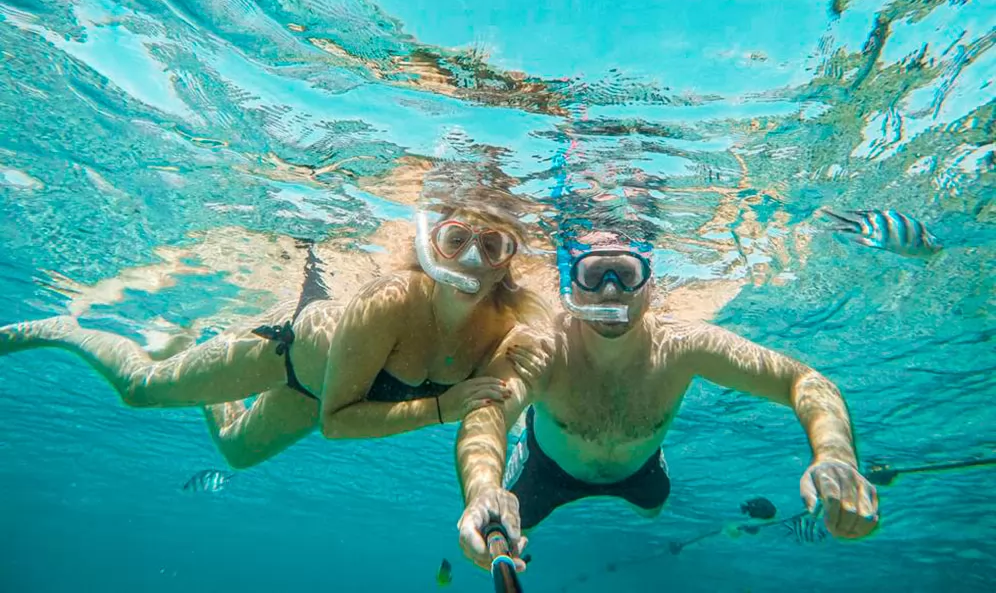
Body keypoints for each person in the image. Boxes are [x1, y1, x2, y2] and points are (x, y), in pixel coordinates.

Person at [455, 228, 880, 571]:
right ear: (571, 285)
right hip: (545, 471)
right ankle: (522, 448)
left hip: (640, 470)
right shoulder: (546, 348)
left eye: (625, 273)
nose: (610, 292)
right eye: (593, 275)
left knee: (652, 510)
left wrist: (836, 455)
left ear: (650, 284)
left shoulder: (684, 345)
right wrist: (483, 491)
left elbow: (804, 381)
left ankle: (652, 459)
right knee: (509, 524)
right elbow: (486, 414)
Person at [0, 204, 551, 469]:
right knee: (140, 388)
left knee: (236, 451)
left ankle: (180, 347)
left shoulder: (506, 329)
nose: (474, 260)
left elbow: (522, 393)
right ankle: (65, 329)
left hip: (317, 393)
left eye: (495, 246)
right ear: (432, 246)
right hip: (287, 356)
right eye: (456, 239)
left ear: (509, 263)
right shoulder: (389, 300)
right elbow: (336, 424)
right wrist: (439, 408)